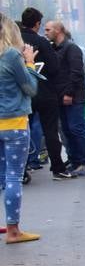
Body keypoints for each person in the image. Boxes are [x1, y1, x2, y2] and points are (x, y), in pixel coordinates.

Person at [0, 14, 40, 242]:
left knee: (2, 176)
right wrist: (29, 62)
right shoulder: (11, 55)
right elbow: (31, 88)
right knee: (14, 176)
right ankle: (13, 230)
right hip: (13, 123)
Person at [19, 7, 70, 179]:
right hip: (46, 93)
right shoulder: (42, 42)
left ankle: (22, 170)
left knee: (22, 132)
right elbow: (55, 68)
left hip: (24, 94)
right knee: (50, 131)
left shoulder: (14, 42)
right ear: (37, 24)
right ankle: (58, 168)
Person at [45, 19, 85, 177]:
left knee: (76, 128)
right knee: (67, 130)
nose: (45, 33)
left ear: (58, 30)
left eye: (48, 30)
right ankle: (75, 161)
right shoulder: (54, 48)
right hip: (59, 96)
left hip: (73, 97)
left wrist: (69, 93)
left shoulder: (71, 48)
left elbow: (76, 73)